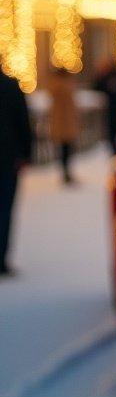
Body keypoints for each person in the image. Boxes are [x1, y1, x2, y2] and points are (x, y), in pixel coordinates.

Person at [0, 69, 33, 276]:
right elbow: (23, 121)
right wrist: (26, 154)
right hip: (7, 157)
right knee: (4, 210)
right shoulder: (10, 86)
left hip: (8, 156)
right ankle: (1, 258)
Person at [48, 66, 79, 184]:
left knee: (68, 149)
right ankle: (65, 172)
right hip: (62, 122)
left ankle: (67, 172)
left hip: (67, 122)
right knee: (64, 149)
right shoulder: (59, 85)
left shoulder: (64, 84)